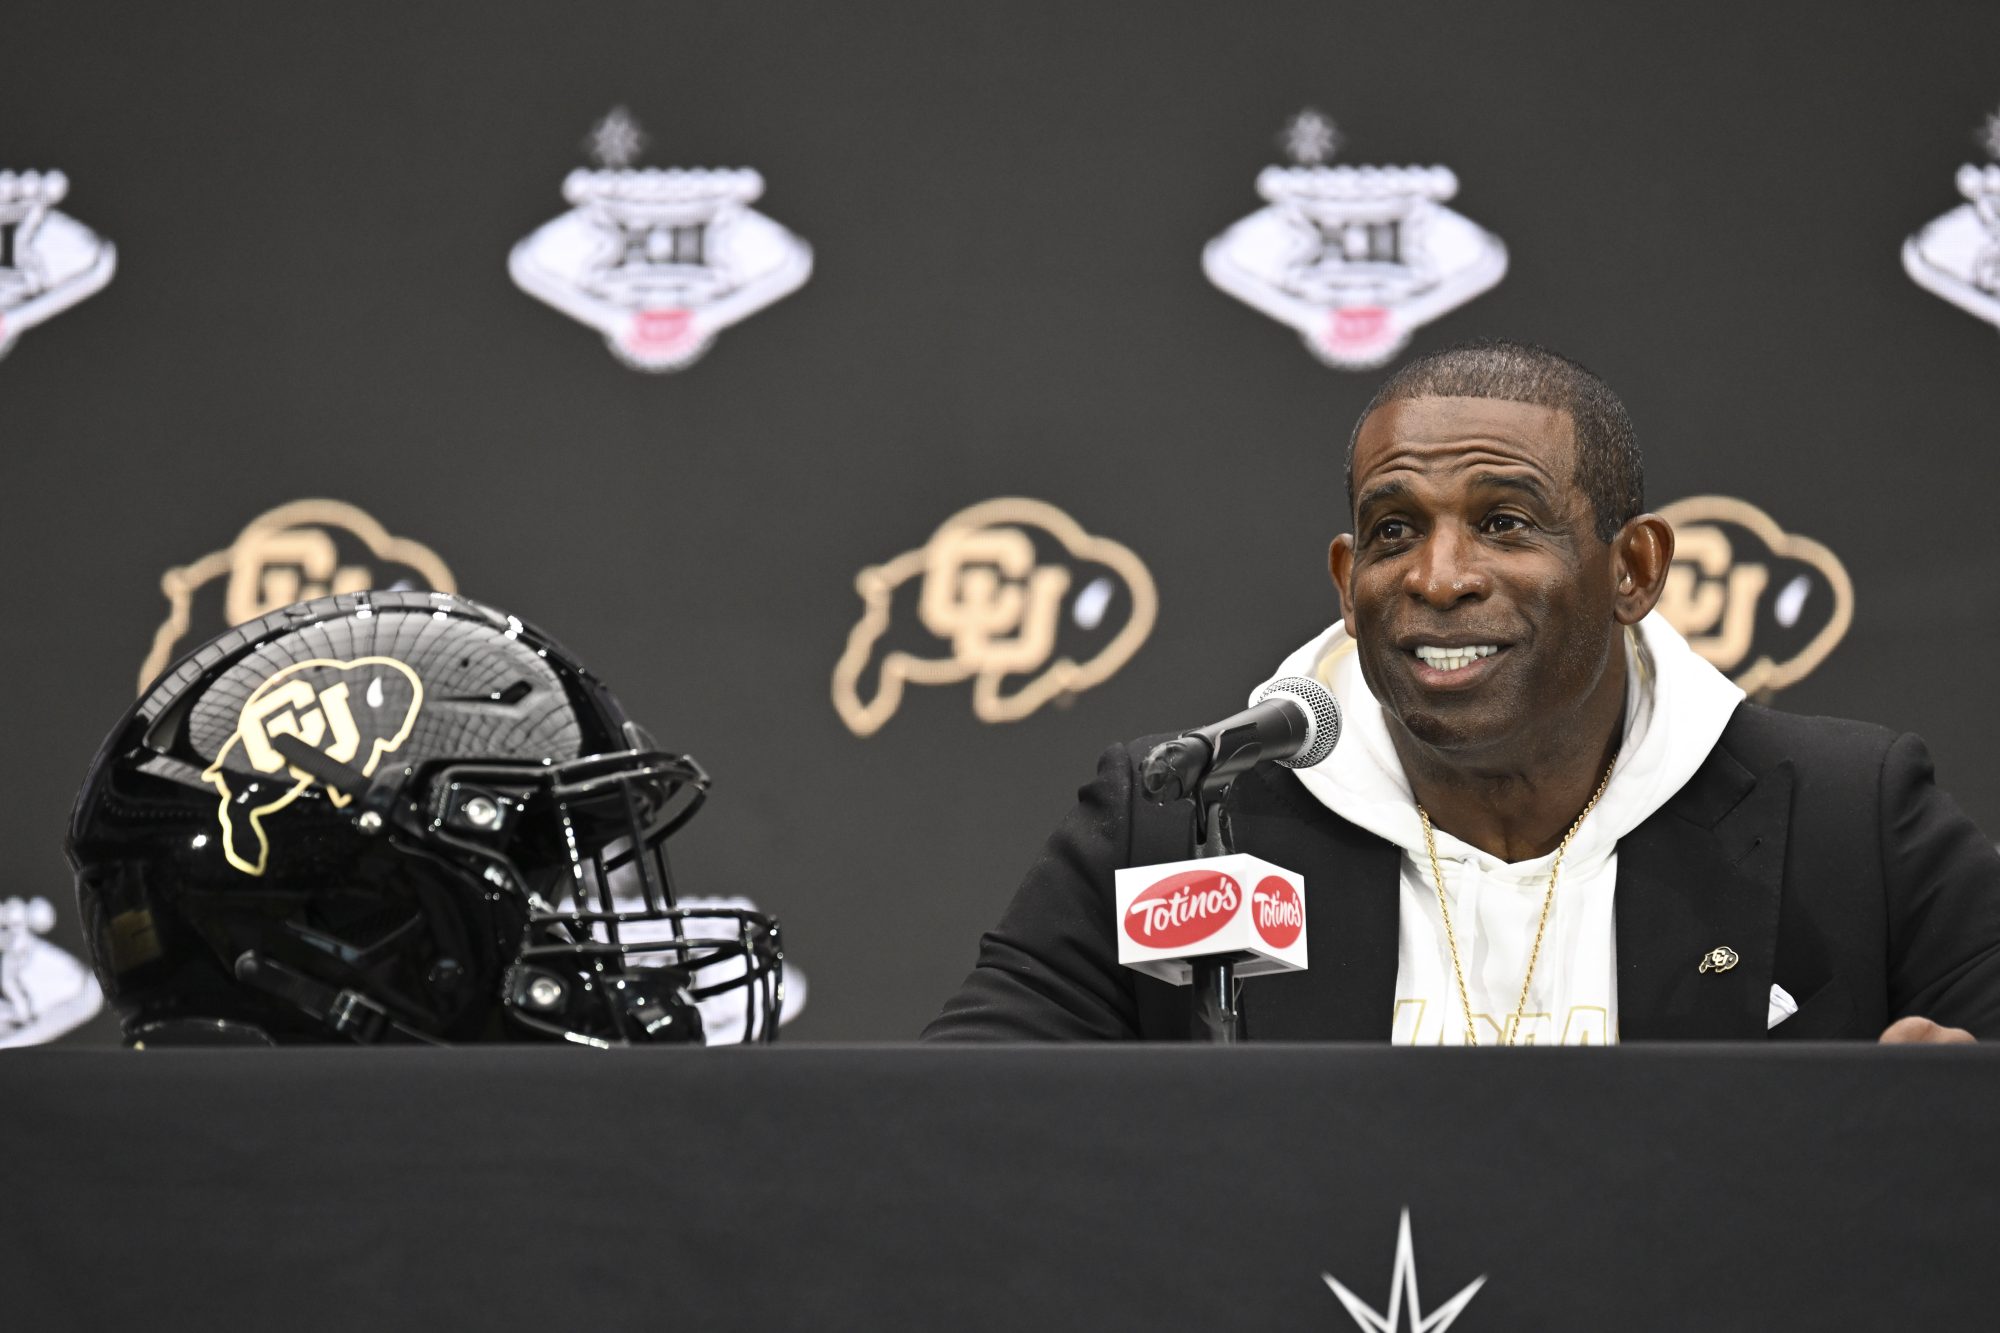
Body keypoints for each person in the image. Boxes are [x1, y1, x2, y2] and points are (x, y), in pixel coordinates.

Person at [925, 341, 2000, 1045]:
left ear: (1631, 570)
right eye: (1394, 531)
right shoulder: (1185, 812)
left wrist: (1933, 1128)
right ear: (1348, 586)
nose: (1439, 579)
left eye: (1504, 522)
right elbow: (954, 1121)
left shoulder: (1846, 815)